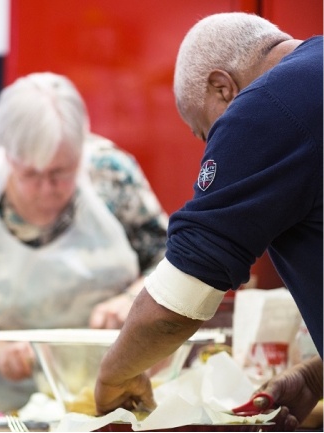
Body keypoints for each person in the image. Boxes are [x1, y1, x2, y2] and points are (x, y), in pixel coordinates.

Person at [93, 12, 322, 431]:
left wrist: (114, 376)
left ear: (222, 86)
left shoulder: (268, 105)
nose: (215, 145)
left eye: (206, 132)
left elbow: (180, 299)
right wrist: (315, 378)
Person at [0, 72, 169, 414]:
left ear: (82, 149)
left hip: (106, 394)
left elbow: (172, 262)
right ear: (6, 155)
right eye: (30, 174)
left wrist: (131, 299)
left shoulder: (111, 176)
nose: (46, 188)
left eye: (61, 172)